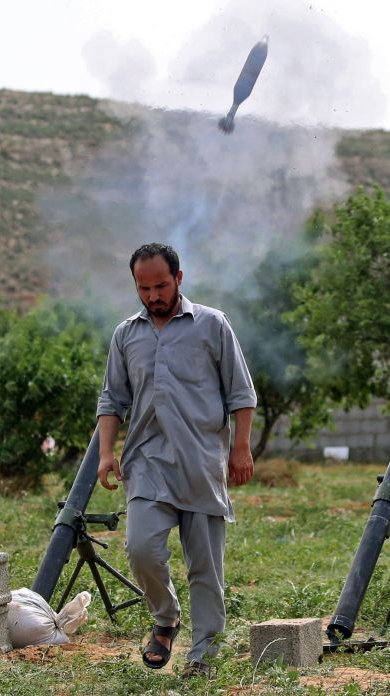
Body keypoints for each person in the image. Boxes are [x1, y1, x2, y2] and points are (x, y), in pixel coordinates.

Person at [96, 243, 256, 678]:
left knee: (205, 566)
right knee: (140, 549)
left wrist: (240, 447)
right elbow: (112, 399)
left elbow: (241, 393)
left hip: (202, 461)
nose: (152, 296)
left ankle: (204, 653)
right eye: (143, 288)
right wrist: (107, 453)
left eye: (160, 285)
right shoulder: (126, 334)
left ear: (179, 279)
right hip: (147, 461)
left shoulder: (212, 325)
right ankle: (165, 618)